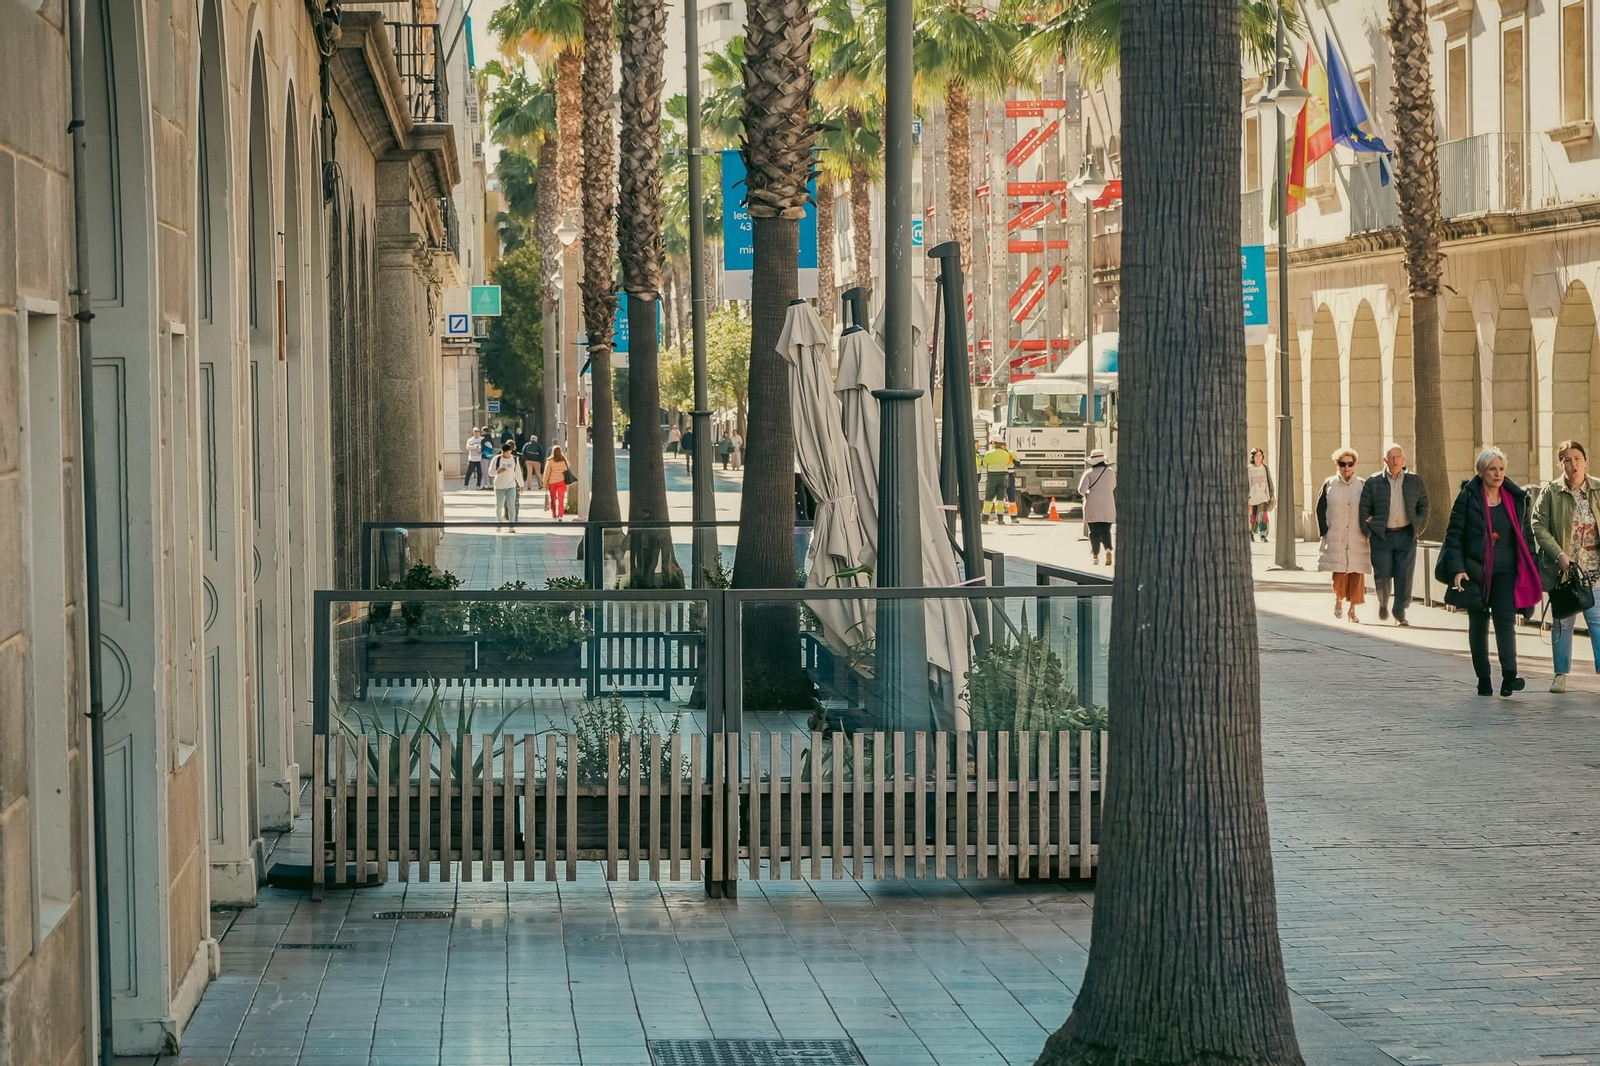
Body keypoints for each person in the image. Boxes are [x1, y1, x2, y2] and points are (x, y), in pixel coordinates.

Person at [1439, 447, 1542, 697]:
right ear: (1482, 471)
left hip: (1507, 572)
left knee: (1505, 622)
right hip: (1476, 571)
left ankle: (1510, 677)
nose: (1498, 474)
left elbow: (1525, 535)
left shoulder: (1515, 498)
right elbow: (1453, 537)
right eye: (1492, 469)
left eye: (1501, 469)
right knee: (1479, 623)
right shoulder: (1468, 497)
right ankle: (1483, 678)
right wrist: (1458, 569)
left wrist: (1532, 565)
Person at [1532, 440, 1600, 693]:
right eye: (1568, 460)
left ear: (1585, 460)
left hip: (1595, 572)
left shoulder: (1597, 489)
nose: (1573, 465)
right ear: (1561, 463)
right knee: (1562, 623)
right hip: (1565, 572)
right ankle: (1560, 673)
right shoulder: (1551, 492)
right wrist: (1558, 554)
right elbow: (1538, 525)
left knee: (1598, 623)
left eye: (1577, 459)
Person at [1359, 443, 1430, 626]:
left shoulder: (1415, 481)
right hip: (1382, 536)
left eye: (1399, 457)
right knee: (1382, 574)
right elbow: (1364, 509)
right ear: (1385, 460)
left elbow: (1424, 506)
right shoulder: (1373, 482)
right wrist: (1369, 530)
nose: (1395, 460)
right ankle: (1383, 602)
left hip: (1406, 535)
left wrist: (1418, 528)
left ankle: (1399, 613)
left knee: (1404, 576)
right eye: (1391, 457)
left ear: (1404, 460)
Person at [1316, 447, 1371, 623]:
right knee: (1339, 573)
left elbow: (1370, 509)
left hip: (1357, 535)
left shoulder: (1362, 484)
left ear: (1354, 465)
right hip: (1336, 534)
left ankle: (1352, 610)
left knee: (1357, 573)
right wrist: (1325, 531)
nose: (1346, 467)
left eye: (1350, 463)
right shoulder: (1329, 483)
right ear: (1337, 464)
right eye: (1342, 463)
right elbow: (1320, 508)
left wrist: (1368, 530)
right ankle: (1339, 600)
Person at [1077, 448, 1117, 564]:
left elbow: (1081, 490)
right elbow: (1113, 486)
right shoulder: (1110, 472)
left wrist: (1089, 492)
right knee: (1105, 531)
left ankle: (1095, 556)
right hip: (1108, 505)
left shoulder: (1089, 473)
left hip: (1092, 506)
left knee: (1094, 531)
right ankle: (1108, 550)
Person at [489, 441, 525, 531]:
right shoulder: (496, 459)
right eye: (506, 453)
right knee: (499, 506)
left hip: (511, 486)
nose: (508, 455)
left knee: (511, 505)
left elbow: (518, 472)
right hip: (499, 486)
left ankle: (511, 525)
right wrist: (498, 471)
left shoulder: (514, 459)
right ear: (502, 452)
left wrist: (521, 485)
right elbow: (490, 472)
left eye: (509, 453)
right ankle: (499, 523)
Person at [979, 437, 1016, 524]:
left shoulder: (988, 454)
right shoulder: (1006, 454)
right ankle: (1000, 519)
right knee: (1000, 498)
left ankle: (984, 518)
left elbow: (984, 464)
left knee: (988, 498)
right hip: (1003, 477)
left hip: (992, 477)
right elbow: (1009, 463)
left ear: (994, 444)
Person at [1247, 448, 1274, 542]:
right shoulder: (1249, 469)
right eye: (1256, 455)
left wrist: (1271, 493)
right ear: (1253, 457)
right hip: (1251, 498)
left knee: (1263, 516)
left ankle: (1263, 535)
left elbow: (1269, 481)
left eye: (1260, 455)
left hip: (1263, 497)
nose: (1258, 457)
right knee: (1253, 517)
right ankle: (1251, 532)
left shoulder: (1265, 468)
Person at [543, 445, 571, 519]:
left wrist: (545, 484)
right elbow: (568, 465)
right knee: (561, 500)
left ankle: (554, 515)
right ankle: (560, 515)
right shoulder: (563, 460)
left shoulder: (550, 461)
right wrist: (563, 456)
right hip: (562, 482)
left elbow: (547, 473)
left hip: (552, 483)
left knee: (553, 499)